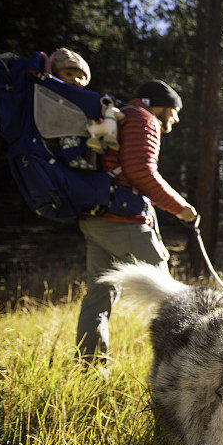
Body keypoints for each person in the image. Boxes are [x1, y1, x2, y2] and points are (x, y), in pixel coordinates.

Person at [75, 79, 197, 365]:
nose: (175, 118)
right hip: (124, 220)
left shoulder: (119, 116)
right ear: (160, 106)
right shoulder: (143, 119)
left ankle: (90, 369)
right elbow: (141, 171)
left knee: (97, 299)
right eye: (174, 110)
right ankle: (181, 367)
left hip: (94, 218)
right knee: (168, 294)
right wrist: (181, 208)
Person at [47, 48, 95, 170]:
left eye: (80, 77)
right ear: (56, 74)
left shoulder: (82, 98)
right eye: (69, 74)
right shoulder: (53, 91)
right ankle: (70, 156)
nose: (75, 79)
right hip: (58, 127)